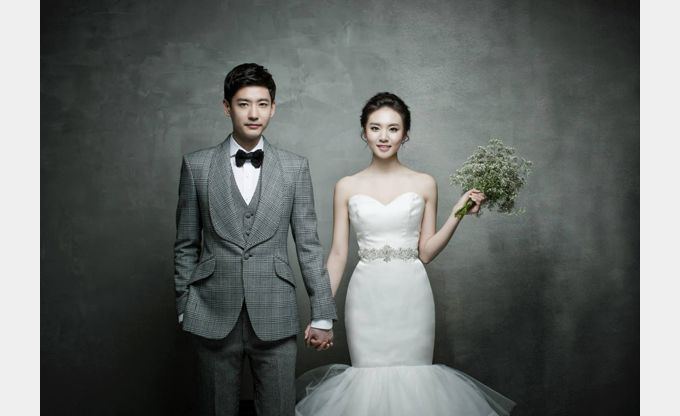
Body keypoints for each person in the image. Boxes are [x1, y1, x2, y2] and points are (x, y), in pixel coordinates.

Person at [295, 92, 516, 415]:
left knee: (415, 386)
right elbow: (339, 254)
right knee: (367, 385)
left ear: (405, 134)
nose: (384, 136)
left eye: (393, 129)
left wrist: (457, 214)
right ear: (364, 132)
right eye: (375, 128)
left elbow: (425, 252)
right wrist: (321, 314)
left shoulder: (424, 183)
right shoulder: (346, 186)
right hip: (366, 297)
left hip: (412, 297)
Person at [173, 63, 337, 416]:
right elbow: (185, 244)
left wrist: (322, 313)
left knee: (279, 409)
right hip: (211, 311)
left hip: (275, 311)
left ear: (273, 108)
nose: (253, 113)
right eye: (243, 104)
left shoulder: (294, 168)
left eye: (262, 104)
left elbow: (309, 245)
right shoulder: (196, 166)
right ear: (226, 107)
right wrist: (185, 305)